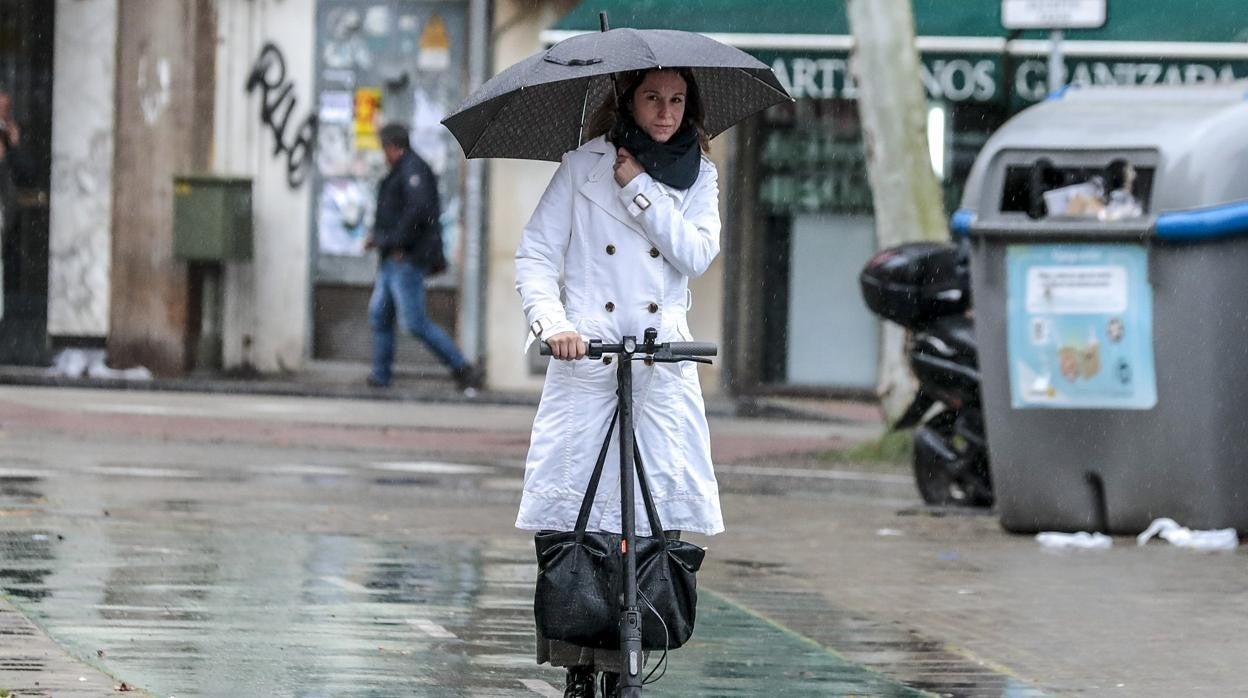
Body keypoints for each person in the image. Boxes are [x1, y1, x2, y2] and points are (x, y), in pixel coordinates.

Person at [514, 68, 723, 697]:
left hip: (660, 373)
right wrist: (554, 325)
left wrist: (639, 189)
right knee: (580, 523)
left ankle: (642, 639)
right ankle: (577, 647)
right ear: (628, 101)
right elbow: (536, 257)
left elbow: (696, 254)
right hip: (588, 367)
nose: (666, 112)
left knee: (655, 519)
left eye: (677, 101)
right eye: (653, 98)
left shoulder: (701, 175)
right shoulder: (582, 167)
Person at [365, 123, 481, 392]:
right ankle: (380, 375)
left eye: (385, 148)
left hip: (404, 259)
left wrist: (393, 242)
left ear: (393, 147)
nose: (384, 154)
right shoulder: (405, 171)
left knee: (415, 322)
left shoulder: (413, 171)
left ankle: (462, 367)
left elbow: (417, 214)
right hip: (393, 259)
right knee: (380, 315)